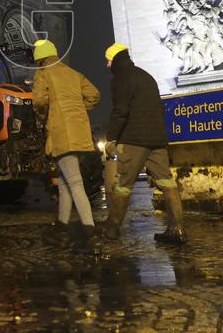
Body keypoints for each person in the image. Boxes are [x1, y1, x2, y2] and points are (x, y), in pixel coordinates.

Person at [102, 43, 187, 244]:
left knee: (124, 184)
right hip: (157, 139)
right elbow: (159, 107)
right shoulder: (146, 76)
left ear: (115, 60)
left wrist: (111, 138)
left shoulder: (121, 79)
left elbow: (120, 111)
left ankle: (112, 228)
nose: (106, 65)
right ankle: (178, 229)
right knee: (166, 181)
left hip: (133, 140)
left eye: (108, 60)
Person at [31, 39, 101, 247]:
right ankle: (61, 228)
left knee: (75, 183)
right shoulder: (73, 73)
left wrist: (45, 116)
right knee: (65, 183)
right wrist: (79, 110)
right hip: (80, 132)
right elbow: (94, 95)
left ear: (39, 59)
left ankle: (90, 233)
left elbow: (39, 102)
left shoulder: (43, 74)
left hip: (62, 133)